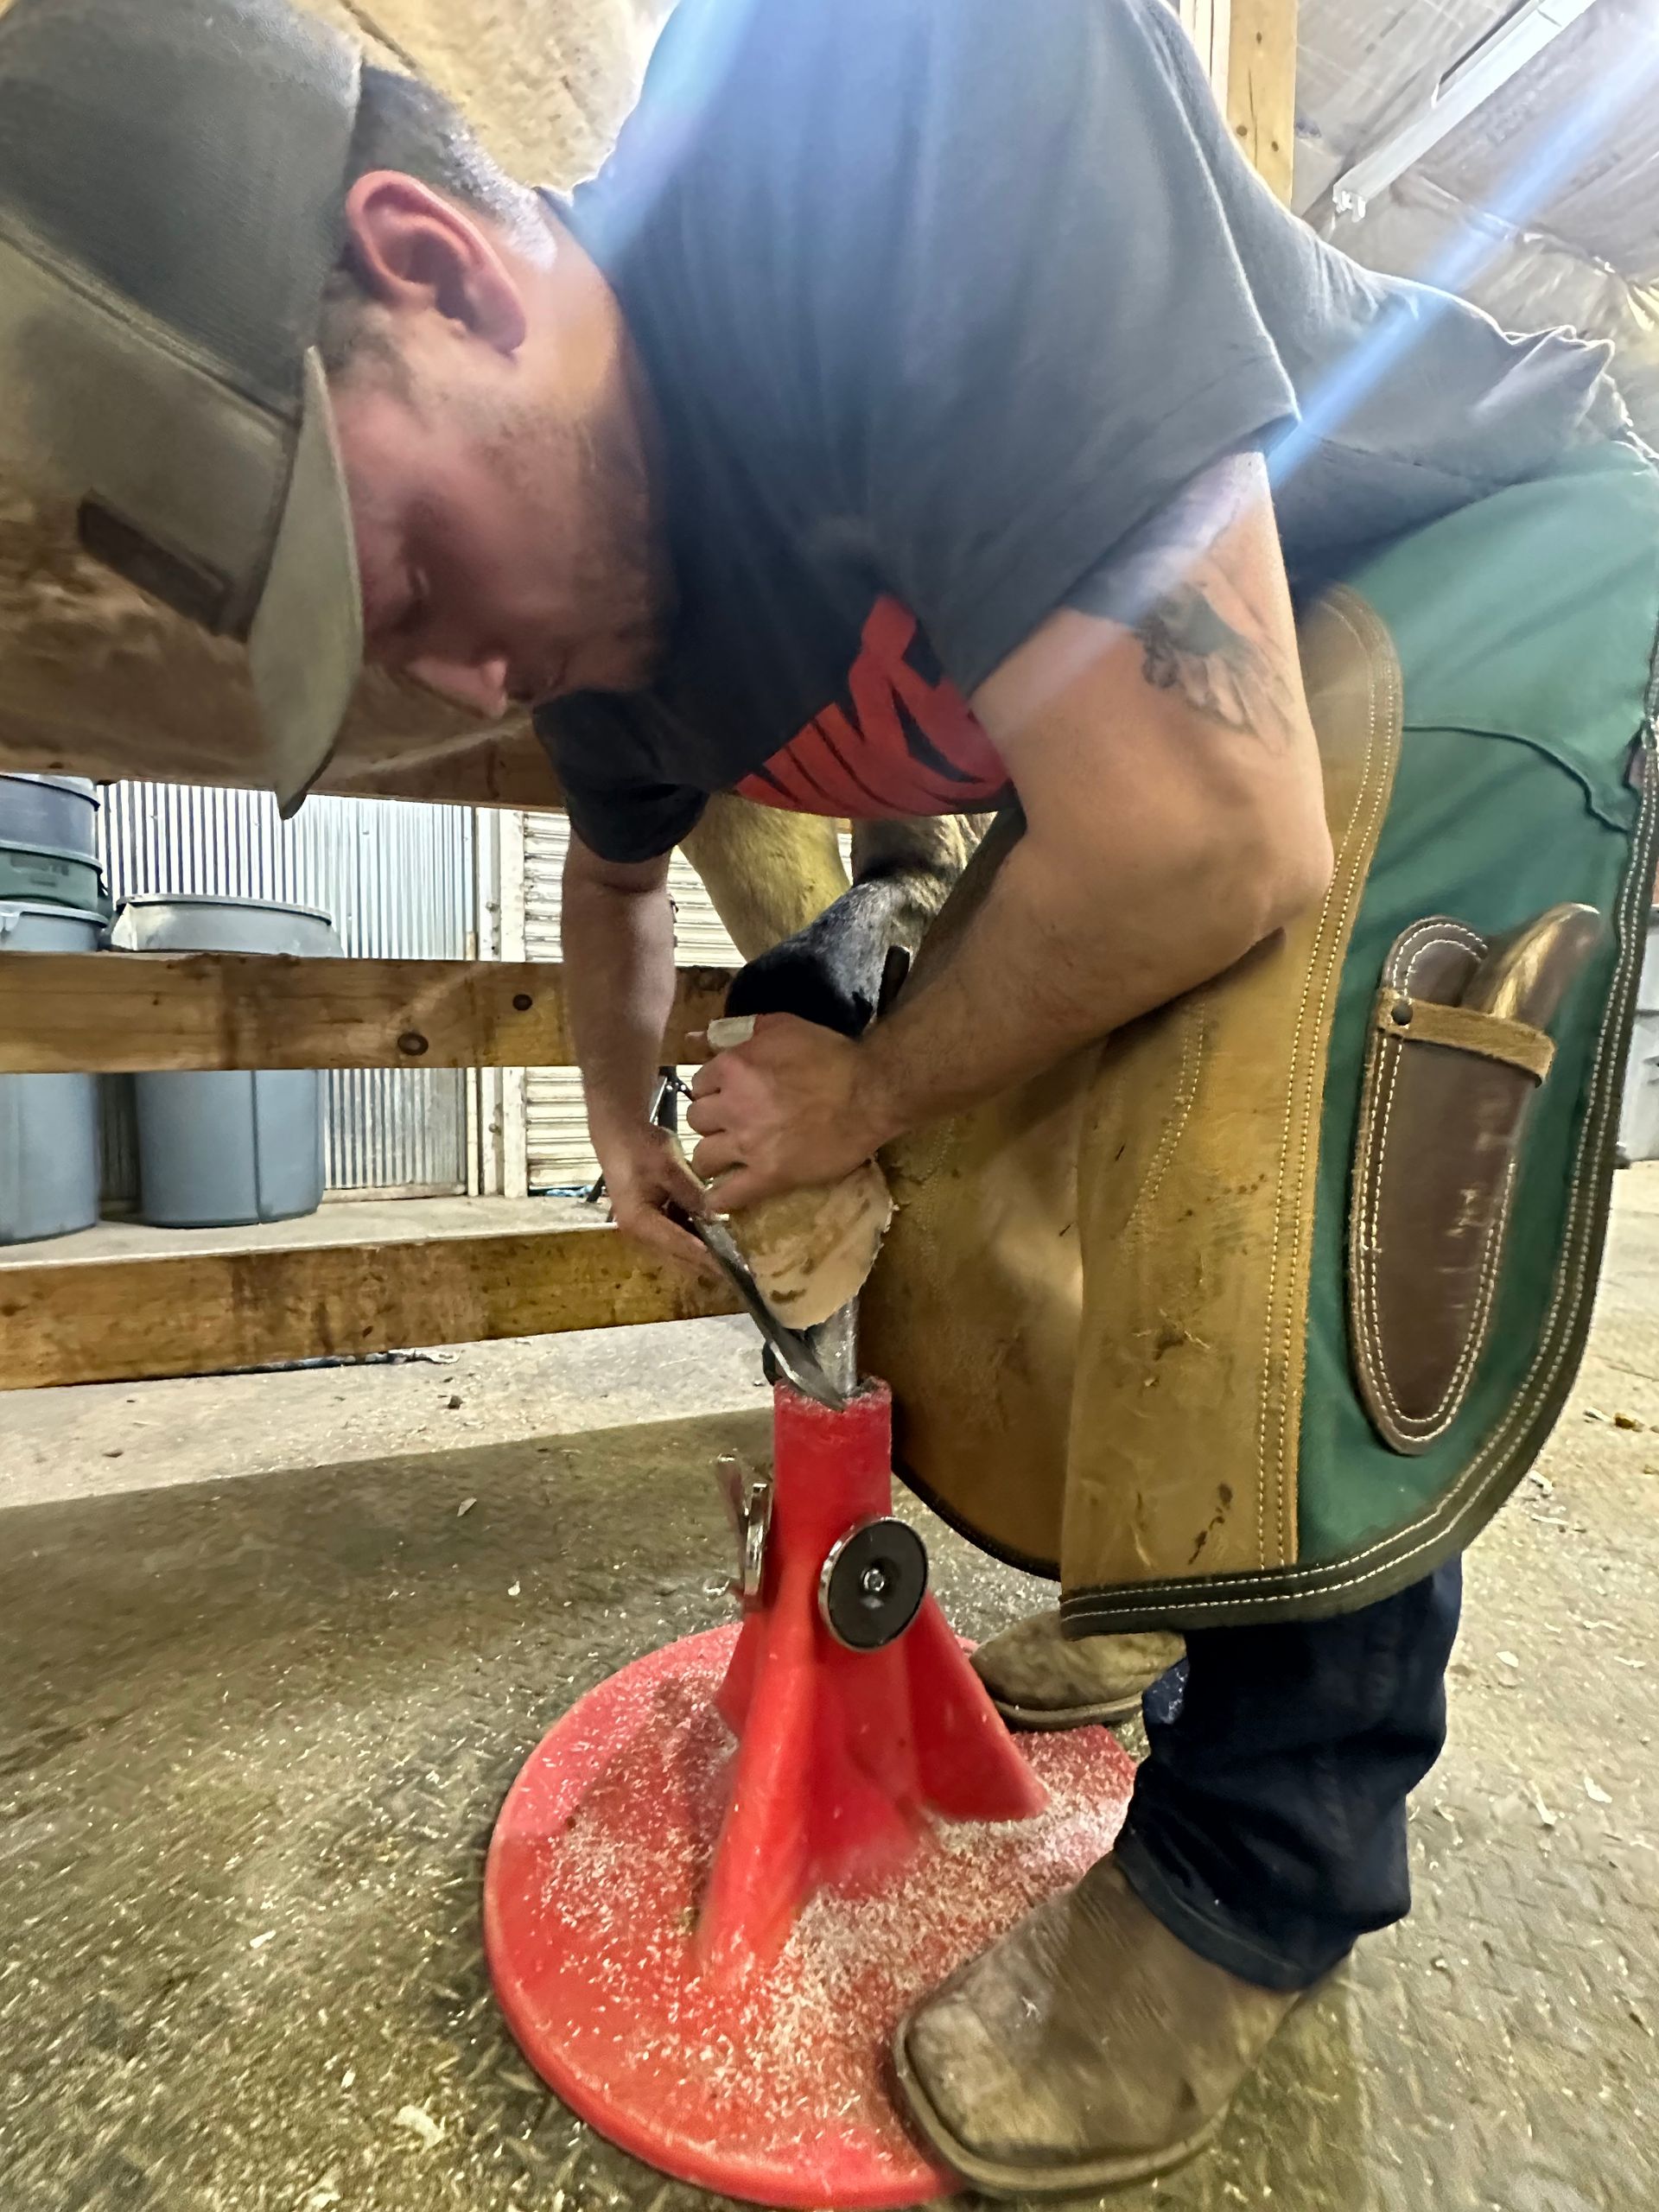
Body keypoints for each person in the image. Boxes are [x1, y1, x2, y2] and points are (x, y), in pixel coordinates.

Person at [3, 0, 1655, 2190]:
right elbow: (614, 896)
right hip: (1213, 725)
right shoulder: (598, 624)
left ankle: (1261, 1873)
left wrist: (866, 1095)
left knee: (1279, 1126)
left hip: (1490, 553)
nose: (462, 678)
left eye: (405, 578)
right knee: (953, 1048)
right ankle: (1179, 1573)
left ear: (440, 260)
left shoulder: (893, 90)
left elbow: (1209, 839)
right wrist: (623, 1130)